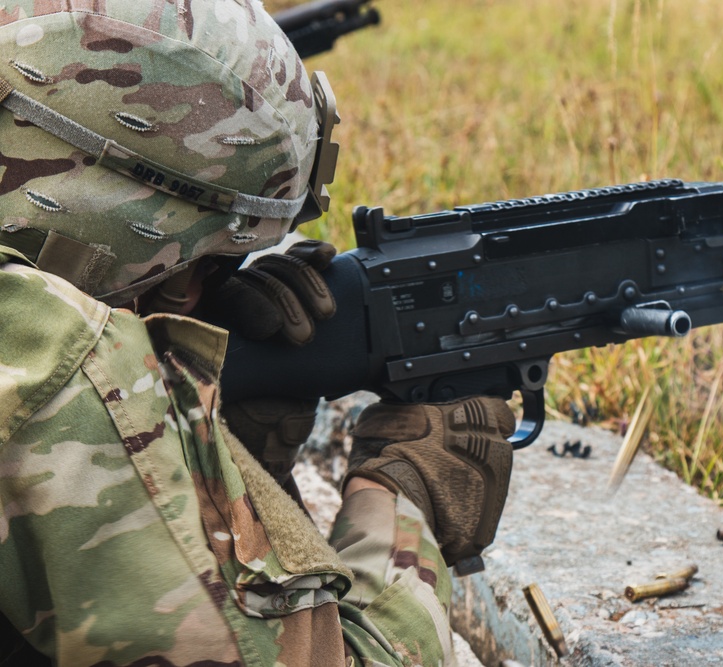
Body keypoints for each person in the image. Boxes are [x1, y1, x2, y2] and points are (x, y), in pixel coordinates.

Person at [0, 1, 515, 665]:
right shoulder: (54, 362)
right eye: (202, 265)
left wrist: (223, 467)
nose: (192, 295)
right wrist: (400, 498)